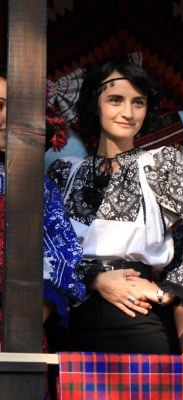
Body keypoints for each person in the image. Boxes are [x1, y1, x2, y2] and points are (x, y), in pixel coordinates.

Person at [46, 60, 183, 355]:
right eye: (115, 100)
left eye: (138, 102)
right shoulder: (63, 172)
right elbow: (42, 249)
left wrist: (169, 290)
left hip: (136, 320)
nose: (128, 112)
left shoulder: (162, 164)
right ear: (94, 103)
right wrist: (95, 279)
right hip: (69, 320)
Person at [0, 69, 85, 349]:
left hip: (16, 334)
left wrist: (20, 332)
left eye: (17, 109)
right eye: (0, 106)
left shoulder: (37, 186)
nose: (8, 118)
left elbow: (63, 258)